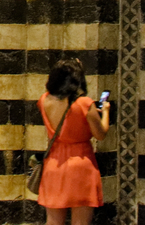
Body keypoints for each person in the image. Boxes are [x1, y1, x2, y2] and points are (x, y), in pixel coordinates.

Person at [38, 59, 110, 225]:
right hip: (81, 165)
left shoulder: (44, 100)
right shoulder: (84, 103)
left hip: (54, 164)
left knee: (53, 221)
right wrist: (105, 112)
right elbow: (100, 134)